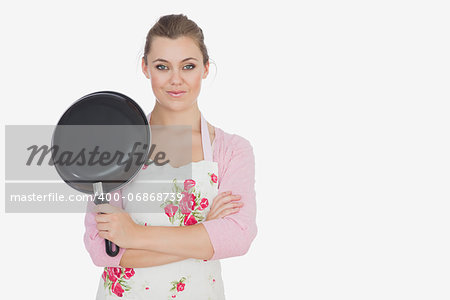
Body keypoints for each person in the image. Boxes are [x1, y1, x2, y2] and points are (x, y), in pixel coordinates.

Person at [83, 14, 257, 299]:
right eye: (162, 66)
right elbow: (101, 249)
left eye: (188, 66)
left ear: (205, 68)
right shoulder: (115, 146)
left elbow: (237, 237)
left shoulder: (233, 150)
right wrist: (203, 233)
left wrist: (134, 235)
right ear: (145, 68)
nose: (176, 80)